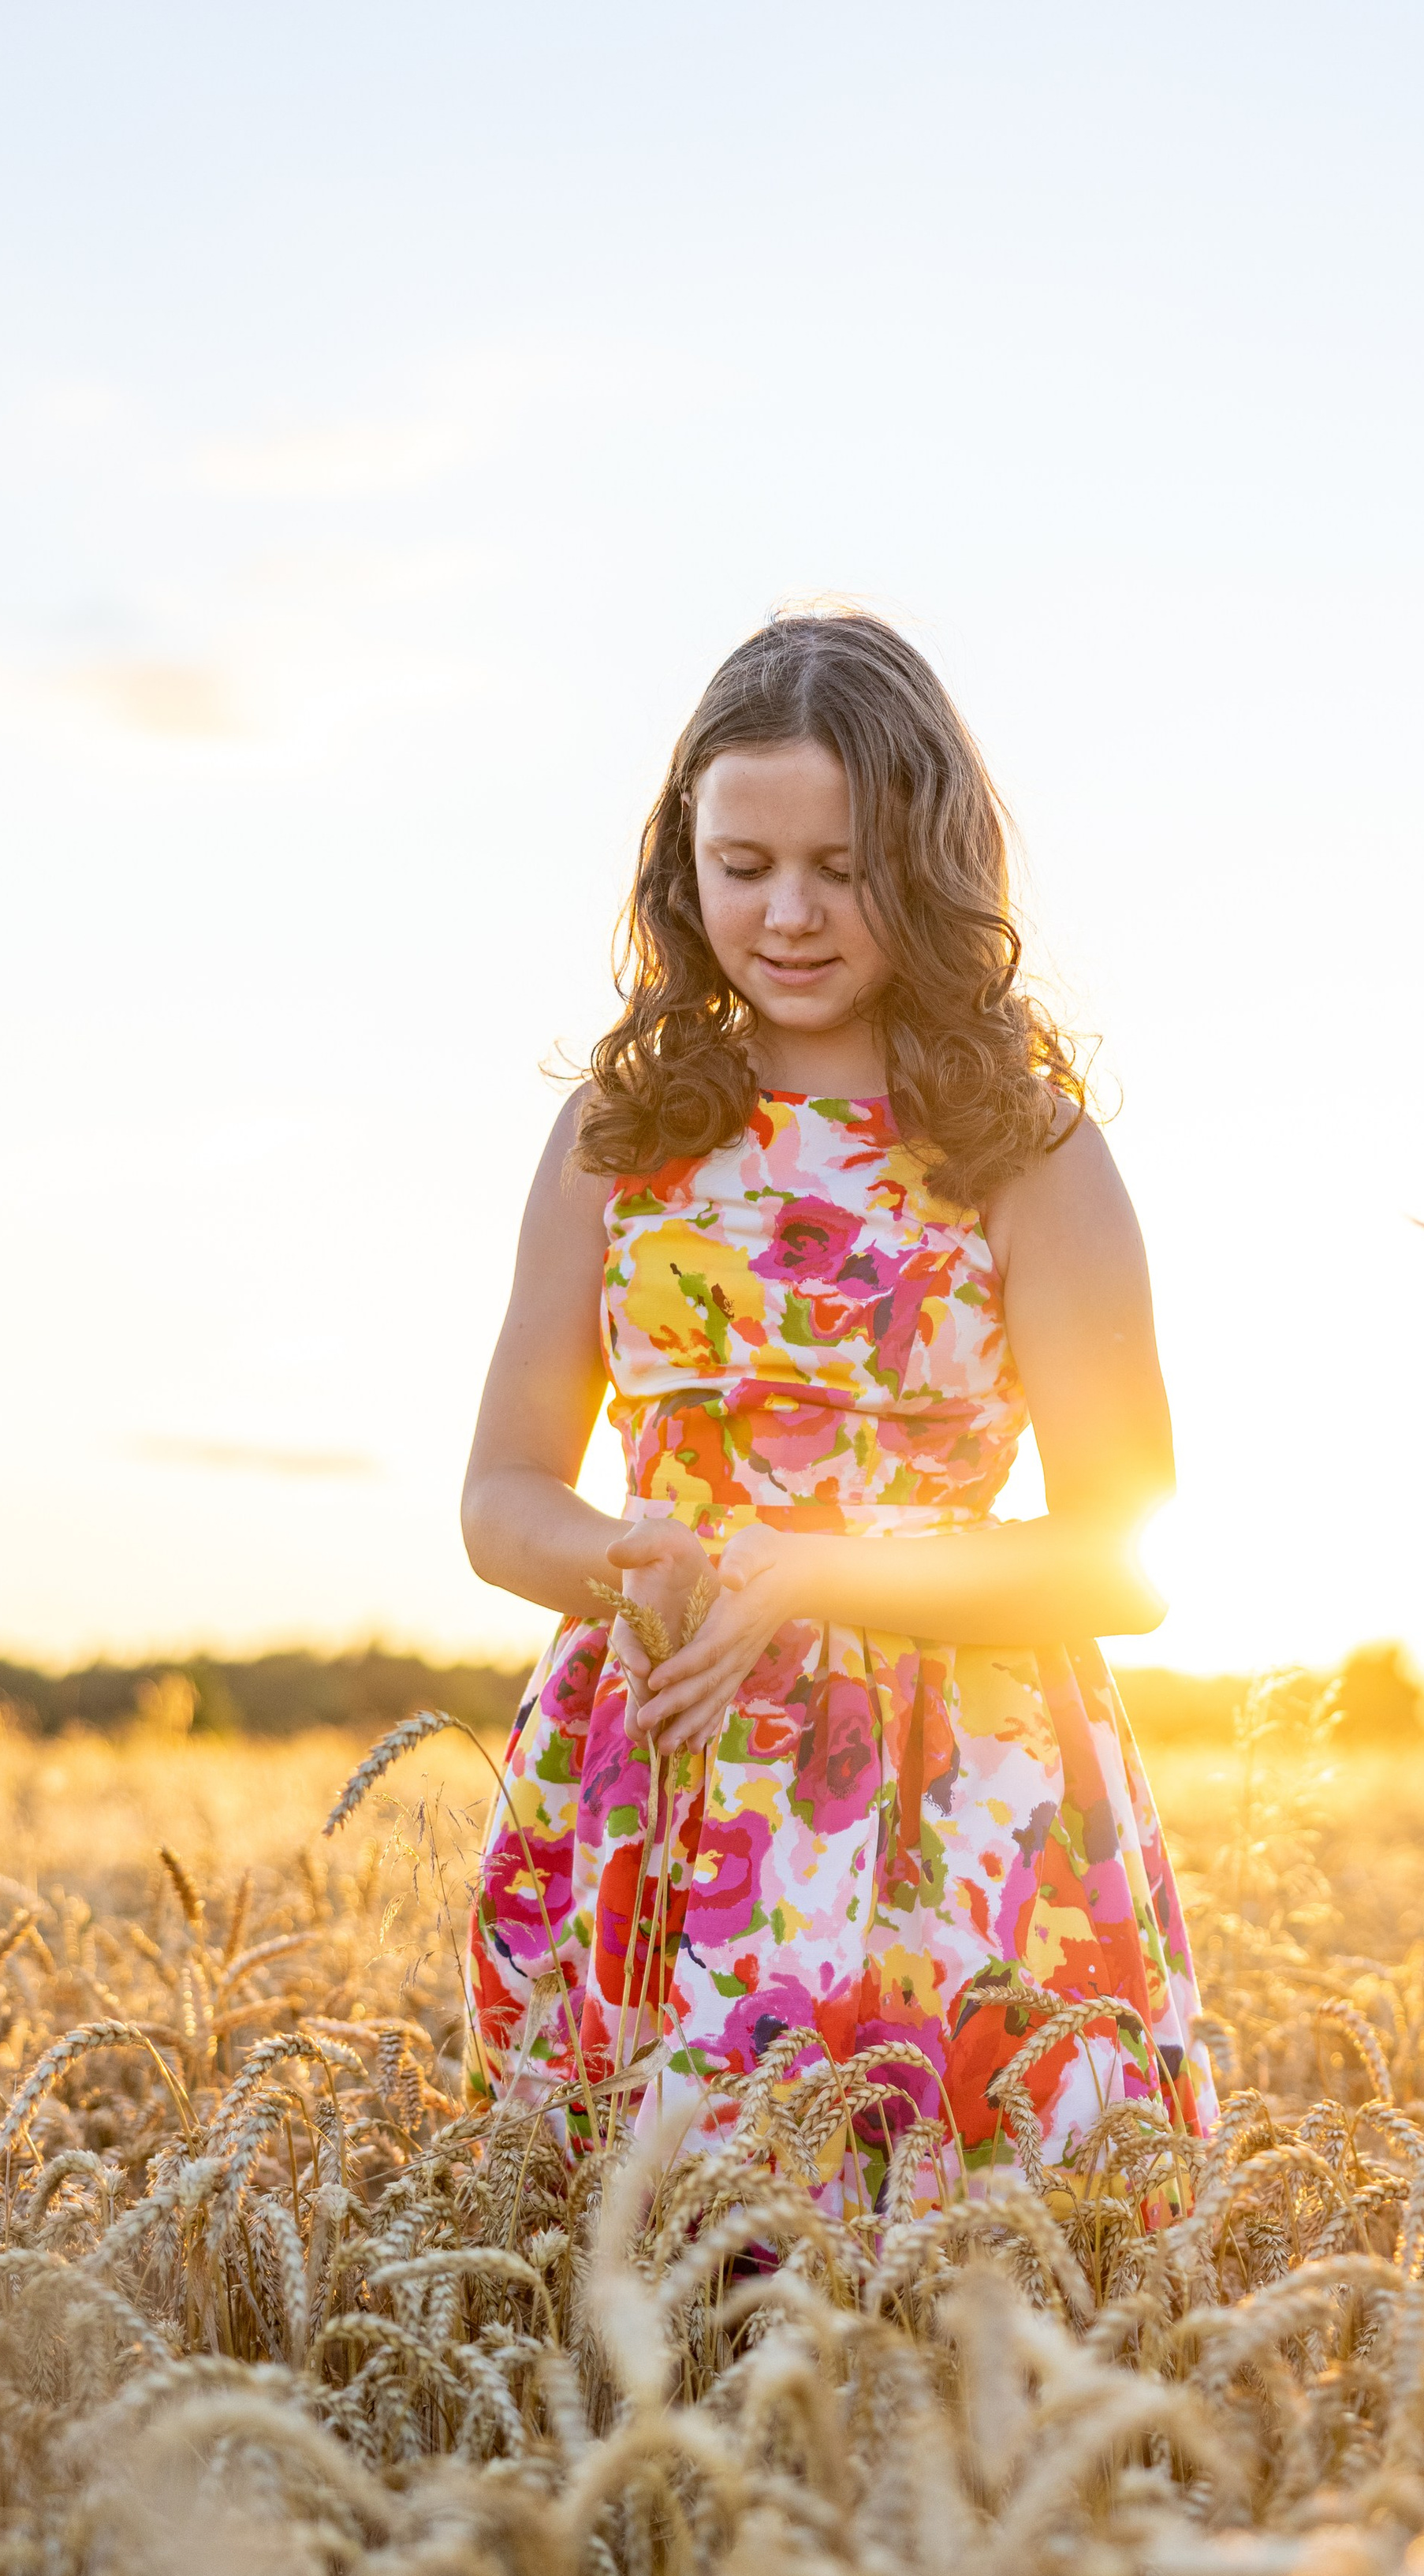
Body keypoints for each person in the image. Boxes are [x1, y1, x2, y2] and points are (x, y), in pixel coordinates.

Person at [459, 607, 1216, 2205]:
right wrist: (629, 1559)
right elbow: (502, 1496)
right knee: (632, 2278)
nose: (787, 914)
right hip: (660, 1769)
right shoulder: (620, 1132)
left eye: (843, 866)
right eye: (743, 865)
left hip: (962, 1794)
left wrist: (812, 1572)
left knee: (966, 2268)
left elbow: (1121, 1557)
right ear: (683, 863)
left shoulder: (1028, 1148)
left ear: (929, 863)